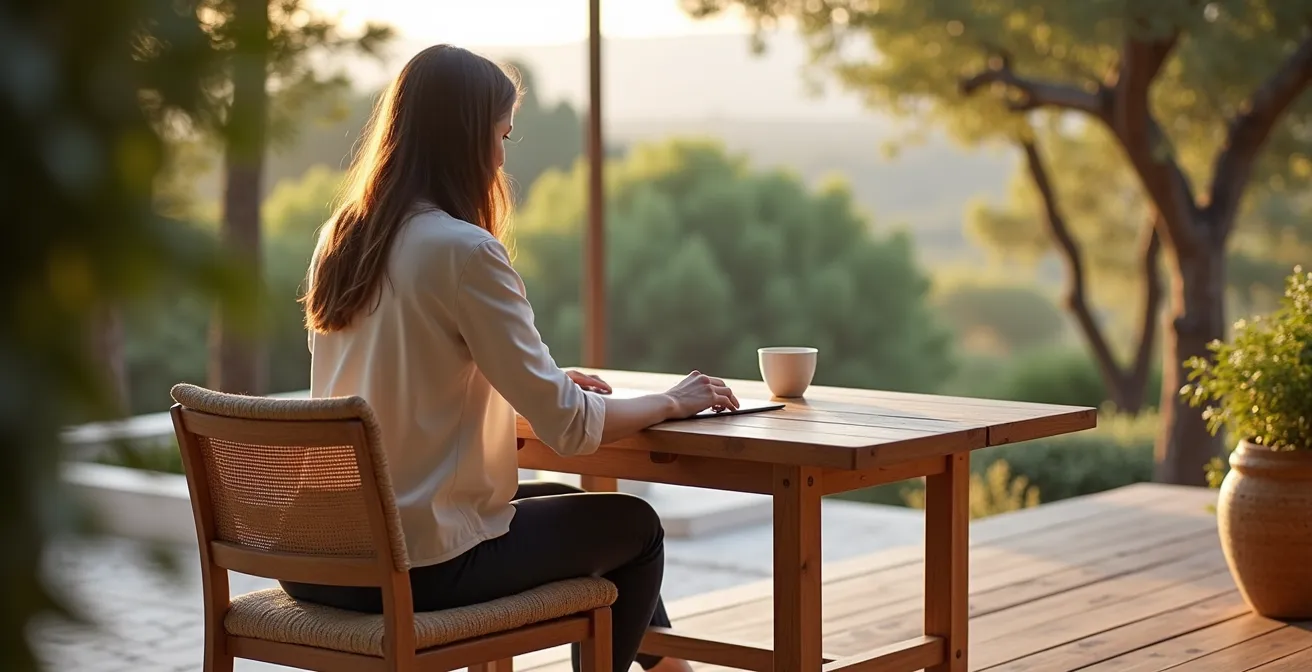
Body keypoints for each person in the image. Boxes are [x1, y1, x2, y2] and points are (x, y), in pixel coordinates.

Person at [285, 44, 740, 672]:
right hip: (417, 565)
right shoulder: (462, 251)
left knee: (556, 497)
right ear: (466, 139)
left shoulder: (343, 238)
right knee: (636, 527)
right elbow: (570, 427)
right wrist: (673, 400)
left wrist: (535, 381)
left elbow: (407, 372)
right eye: (501, 134)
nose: (502, 156)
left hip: (323, 561)